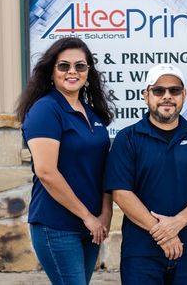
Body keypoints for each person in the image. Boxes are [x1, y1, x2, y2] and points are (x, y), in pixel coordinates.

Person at [104, 63, 187, 285]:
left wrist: (177, 223)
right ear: (146, 95)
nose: (167, 96)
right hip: (141, 254)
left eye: (174, 90)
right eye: (158, 90)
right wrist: (164, 233)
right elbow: (121, 193)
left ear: (184, 95)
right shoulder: (128, 138)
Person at [15, 37, 114, 285]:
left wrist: (104, 213)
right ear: (51, 71)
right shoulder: (46, 110)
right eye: (64, 66)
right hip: (57, 225)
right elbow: (47, 172)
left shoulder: (92, 113)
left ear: (88, 72)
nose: (72, 71)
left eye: (80, 66)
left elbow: (104, 168)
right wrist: (87, 216)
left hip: (91, 226)